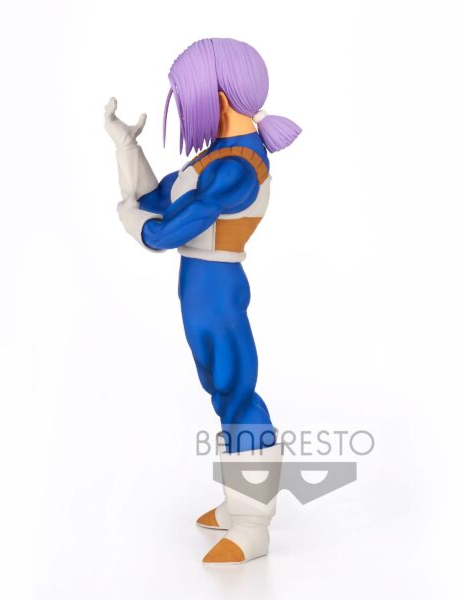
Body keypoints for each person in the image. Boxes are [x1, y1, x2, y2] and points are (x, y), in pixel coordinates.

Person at [105, 38, 301, 564]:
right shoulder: (215, 156)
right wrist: (127, 149)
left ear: (216, 95)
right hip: (199, 287)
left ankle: (254, 524)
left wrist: (134, 223)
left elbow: (165, 229)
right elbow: (156, 200)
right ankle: (240, 501)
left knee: (237, 390)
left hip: (217, 287)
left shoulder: (238, 165)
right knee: (221, 389)